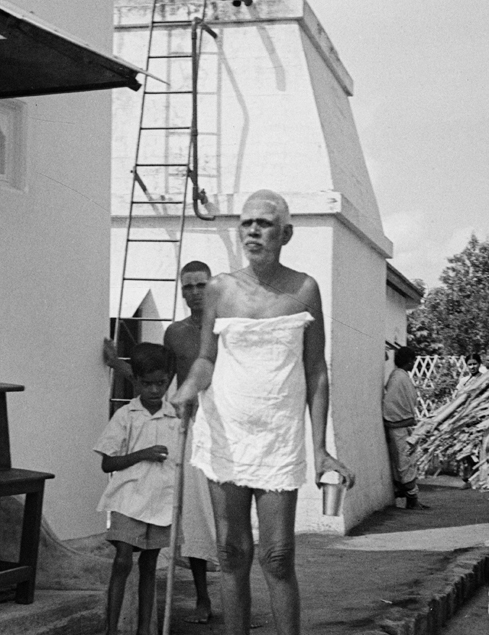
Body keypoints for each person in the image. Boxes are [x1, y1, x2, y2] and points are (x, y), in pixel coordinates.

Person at [171, 190, 354, 635]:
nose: (253, 230)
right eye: (247, 222)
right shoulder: (220, 288)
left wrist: (321, 449)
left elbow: (316, 371)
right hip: (225, 434)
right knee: (231, 553)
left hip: (278, 439)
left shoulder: (304, 289)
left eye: (265, 223)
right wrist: (190, 388)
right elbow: (206, 357)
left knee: (277, 556)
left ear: (285, 233)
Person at [105, 260, 221, 625]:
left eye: (200, 285)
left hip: (223, 427)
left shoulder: (228, 326)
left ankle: (217, 598)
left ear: (212, 286)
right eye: (187, 286)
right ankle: (193, 597)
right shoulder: (175, 333)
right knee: (186, 511)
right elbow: (155, 379)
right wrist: (117, 366)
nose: (194, 293)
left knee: (217, 517)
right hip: (185, 426)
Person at [94, 342, 180, 635]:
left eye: (161, 383)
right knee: (122, 560)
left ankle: (145, 629)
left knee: (149, 564)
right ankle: (111, 629)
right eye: (147, 384)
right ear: (137, 381)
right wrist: (144, 453)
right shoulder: (126, 416)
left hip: (160, 502)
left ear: (168, 379)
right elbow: (107, 464)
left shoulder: (176, 417)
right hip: (128, 498)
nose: (155, 390)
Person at [383, 346, 429, 510]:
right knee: (404, 464)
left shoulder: (401, 377)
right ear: (409, 361)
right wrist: (397, 422)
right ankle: (412, 499)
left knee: (409, 463)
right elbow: (390, 404)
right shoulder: (398, 378)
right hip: (399, 427)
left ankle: (412, 498)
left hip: (404, 425)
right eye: (413, 361)